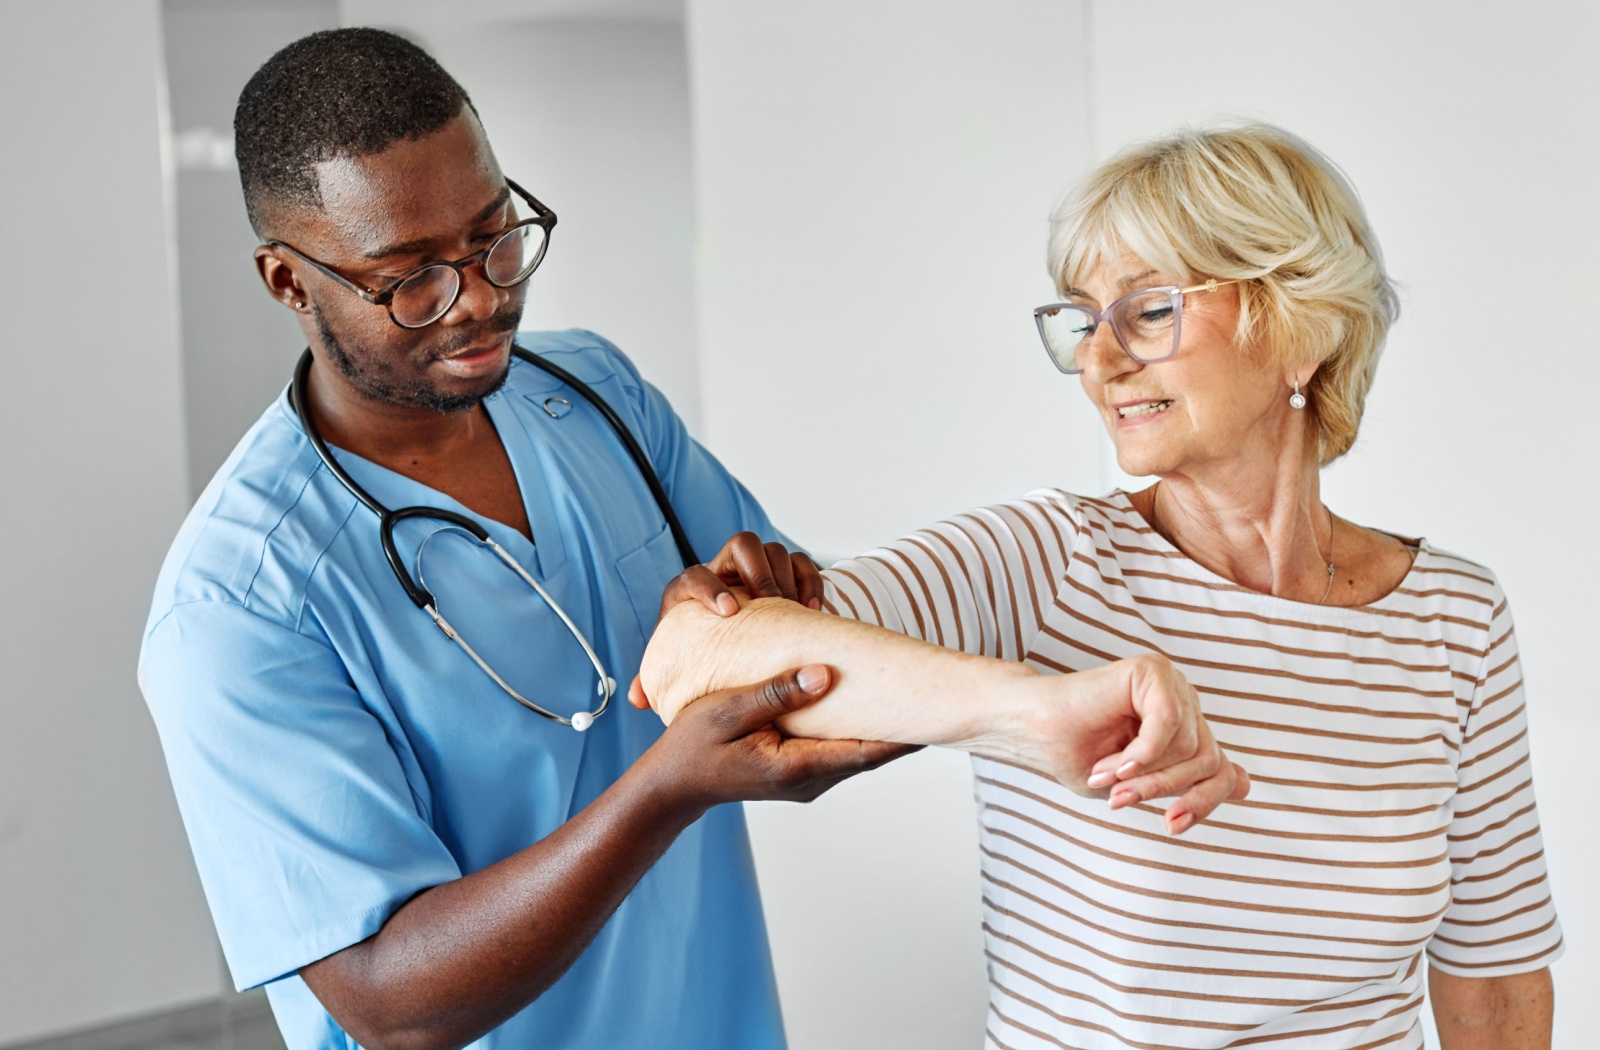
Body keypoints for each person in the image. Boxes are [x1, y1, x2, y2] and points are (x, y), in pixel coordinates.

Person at [137, 29, 1240, 1050]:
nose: (477, 299)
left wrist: (1020, 703)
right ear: (289, 280)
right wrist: (667, 787)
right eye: (411, 276)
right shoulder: (239, 605)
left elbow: (811, 661)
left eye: (493, 238)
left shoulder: (592, 395)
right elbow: (386, 1002)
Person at [634, 124, 1561, 1048]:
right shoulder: (1054, 559)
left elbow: (1494, 974)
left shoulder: (1453, 618)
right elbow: (692, 662)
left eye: (1150, 310)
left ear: (1302, 330)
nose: (1099, 359)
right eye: (1083, 318)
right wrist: (1036, 709)